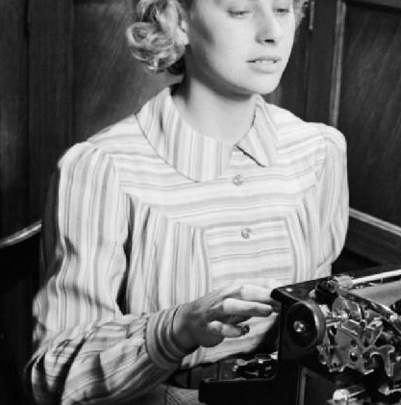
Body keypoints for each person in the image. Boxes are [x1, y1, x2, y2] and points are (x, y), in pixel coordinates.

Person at [25, 0, 348, 403]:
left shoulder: (319, 152)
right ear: (178, 22)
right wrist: (177, 329)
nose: (272, 32)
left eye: (282, 9)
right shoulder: (101, 168)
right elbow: (53, 378)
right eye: (240, 11)